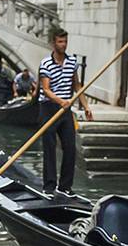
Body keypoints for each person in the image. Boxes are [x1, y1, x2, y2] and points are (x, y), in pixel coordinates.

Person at [38, 28, 91, 196]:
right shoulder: (46, 63)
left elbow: (77, 85)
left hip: (66, 109)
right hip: (49, 107)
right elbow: (45, 89)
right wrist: (61, 101)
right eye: (60, 42)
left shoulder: (72, 62)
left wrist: (87, 106)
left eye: (65, 42)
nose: (64, 45)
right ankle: (49, 186)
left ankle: (65, 187)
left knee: (70, 147)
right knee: (50, 147)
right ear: (54, 43)